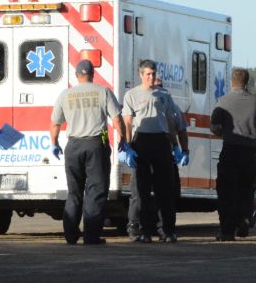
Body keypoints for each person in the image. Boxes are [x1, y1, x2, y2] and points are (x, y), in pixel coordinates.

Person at [50, 59, 125, 245]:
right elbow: (117, 119)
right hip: (95, 145)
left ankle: (70, 235)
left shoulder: (65, 95)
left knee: (74, 192)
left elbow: (55, 124)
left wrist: (54, 143)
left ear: (77, 75)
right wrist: (122, 140)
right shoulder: (103, 92)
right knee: (95, 191)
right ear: (93, 74)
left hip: (73, 146)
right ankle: (91, 236)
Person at [123, 60, 184, 243]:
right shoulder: (131, 95)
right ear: (141, 75)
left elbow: (171, 122)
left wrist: (175, 146)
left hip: (161, 141)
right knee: (141, 191)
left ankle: (166, 230)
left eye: (153, 74)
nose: (151, 77)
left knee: (165, 189)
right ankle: (142, 231)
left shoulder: (164, 95)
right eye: (147, 74)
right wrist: (127, 146)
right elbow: (127, 122)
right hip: (141, 141)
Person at [210, 68, 256, 241]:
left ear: (231, 82)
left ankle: (227, 231)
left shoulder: (223, 101)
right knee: (247, 189)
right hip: (250, 152)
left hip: (231, 149)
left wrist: (224, 132)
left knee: (227, 191)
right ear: (247, 82)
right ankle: (244, 219)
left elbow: (214, 127)